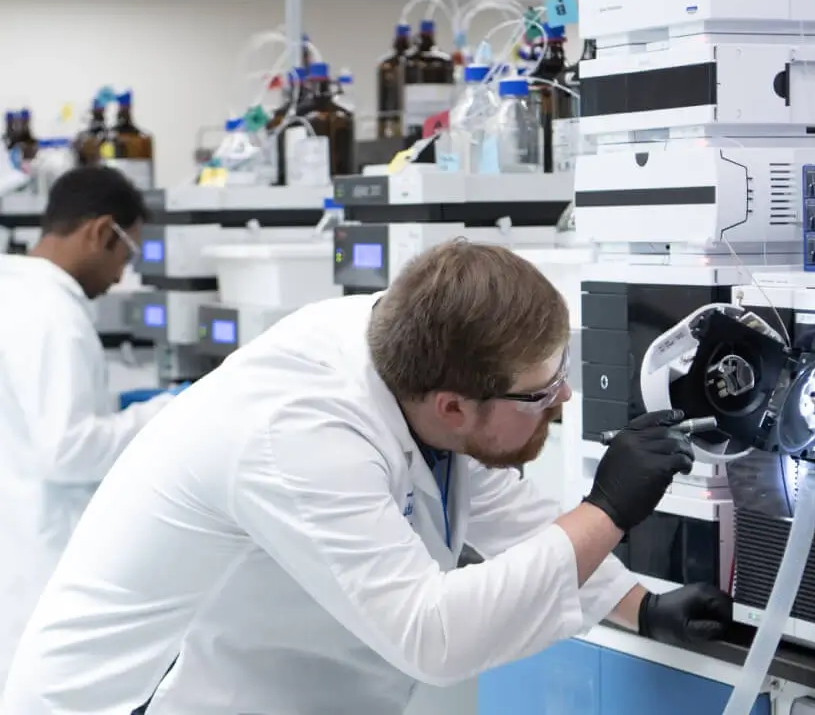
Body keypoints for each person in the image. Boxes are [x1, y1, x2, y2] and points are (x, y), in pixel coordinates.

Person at [3, 240, 732, 715]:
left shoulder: (409, 353)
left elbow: (494, 507)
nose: (563, 400)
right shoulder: (298, 434)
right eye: (542, 392)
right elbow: (431, 635)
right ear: (453, 404)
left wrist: (640, 605)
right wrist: (606, 509)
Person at [0, 166, 177, 689]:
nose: (121, 276)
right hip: (38, 549)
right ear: (101, 232)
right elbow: (67, 450)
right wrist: (162, 411)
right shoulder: (55, 313)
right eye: (126, 255)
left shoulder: (12, 291)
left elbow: (27, 410)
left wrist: (115, 403)